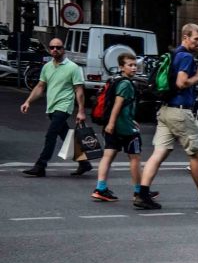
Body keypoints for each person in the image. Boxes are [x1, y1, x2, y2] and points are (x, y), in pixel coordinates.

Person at [134, 24, 198, 210]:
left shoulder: (174, 54)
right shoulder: (186, 57)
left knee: (158, 153)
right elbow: (181, 82)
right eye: (196, 39)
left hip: (165, 110)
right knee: (196, 154)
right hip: (180, 111)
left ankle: (142, 194)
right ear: (185, 37)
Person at [19, 36, 88, 177]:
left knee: (51, 135)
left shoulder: (73, 68)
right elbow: (40, 86)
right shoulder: (47, 67)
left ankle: (40, 165)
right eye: (52, 47)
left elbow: (79, 91)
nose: (55, 49)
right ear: (49, 50)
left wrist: (81, 111)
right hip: (51, 107)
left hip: (64, 107)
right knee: (66, 136)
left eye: (58, 47)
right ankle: (84, 163)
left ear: (64, 49)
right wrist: (28, 101)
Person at [92, 52, 143, 202]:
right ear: (122, 67)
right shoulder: (126, 83)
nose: (134, 68)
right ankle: (138, 191)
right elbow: (118, 105)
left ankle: (100, 188)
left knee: (108, 156)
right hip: (124, 128)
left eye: (135, 65)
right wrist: (112, 123)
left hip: (115, 126)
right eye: (130, 65)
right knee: (135, 157)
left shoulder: (115, 79)